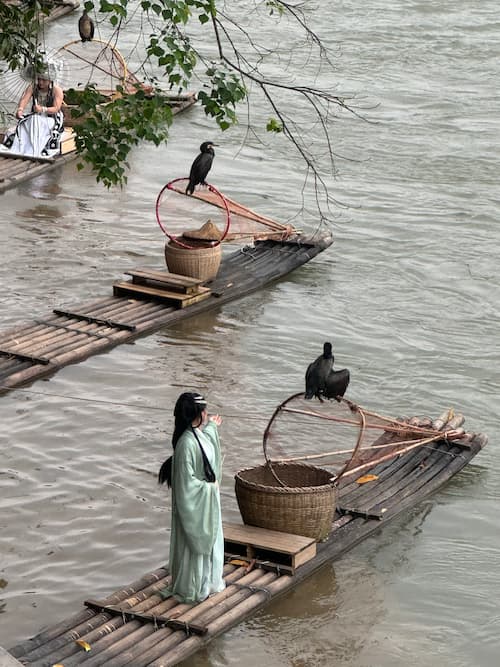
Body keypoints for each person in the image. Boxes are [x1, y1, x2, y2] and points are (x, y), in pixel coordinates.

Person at [158, 391, 225, 603]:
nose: (207, 413)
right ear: (199, 414)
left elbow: (208, 453)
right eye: (205, 410)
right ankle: (193, 587)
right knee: (193, 548)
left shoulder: (197, 434)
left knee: (211, 543)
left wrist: (212, 428)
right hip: (196, 505)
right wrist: (209, 489)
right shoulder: (186, 443)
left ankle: (208, 583)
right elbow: (187, 485)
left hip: (206, 503)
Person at [1, 63, 64, 157]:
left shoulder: (56, 90)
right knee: (28, 122)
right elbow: (24, 99)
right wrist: (20, 110)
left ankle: (36, 148)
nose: (40, 82)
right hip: (35, 115)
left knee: (37, 122)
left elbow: (56, 108)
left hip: (52, 116)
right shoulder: (33, 87)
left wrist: (43, 109)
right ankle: (23, 147)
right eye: (39, 79)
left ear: (50, 80)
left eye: (43, 80)